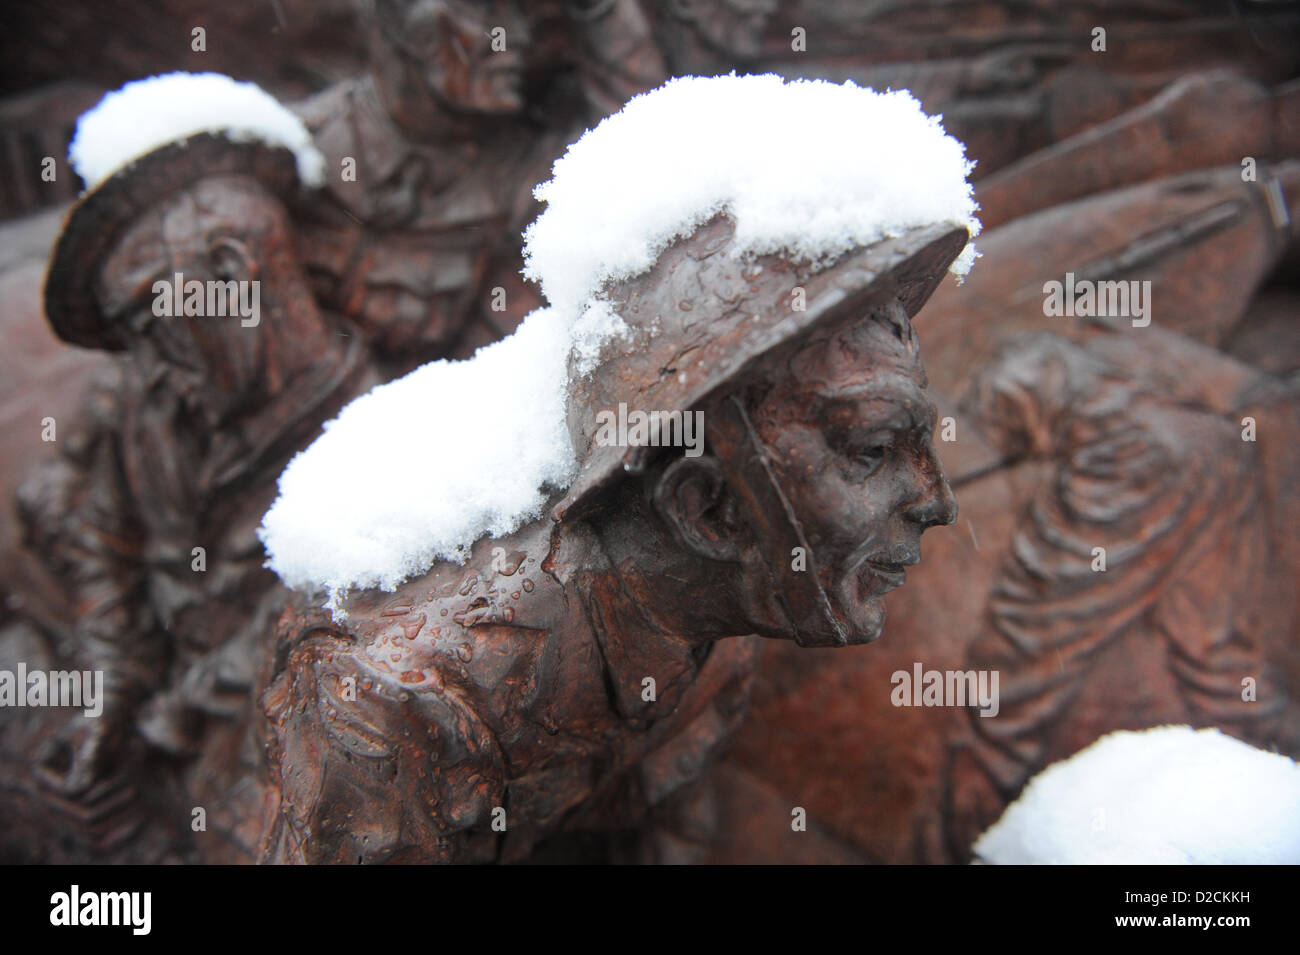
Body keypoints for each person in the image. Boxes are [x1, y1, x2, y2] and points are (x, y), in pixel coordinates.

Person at [258, 213, 964, 863]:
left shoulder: (730, 613)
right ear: (705, 508)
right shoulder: (395, 699)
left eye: (919, 444)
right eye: (870, 450)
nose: (938, 502)